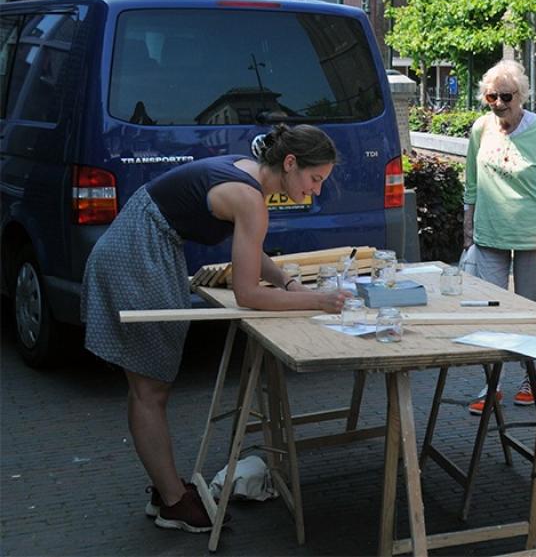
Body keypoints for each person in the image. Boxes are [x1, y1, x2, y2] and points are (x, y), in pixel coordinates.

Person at [82, 124, 349, 533]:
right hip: (135, 256)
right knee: (148, 389)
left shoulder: (247, 172)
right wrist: (318, 300)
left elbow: (250, 249)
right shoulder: (250, 198)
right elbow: (247, 294)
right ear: (290, 163)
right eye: (315, 179)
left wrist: (289, 283)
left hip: (139, 246)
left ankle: (165, 488)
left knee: (152, 386)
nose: (316, 190)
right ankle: (172, 501)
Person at [463, 59, 536, 413]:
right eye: (492, 96)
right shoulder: (480, 129)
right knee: (490, 313)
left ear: (521, 95)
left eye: (506, 96)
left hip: (531, 238)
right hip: (489, 235)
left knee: (529, 311)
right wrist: (467, 230)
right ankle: (491, 384)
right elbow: (471, 183)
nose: (499, 103)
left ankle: (530, 378)